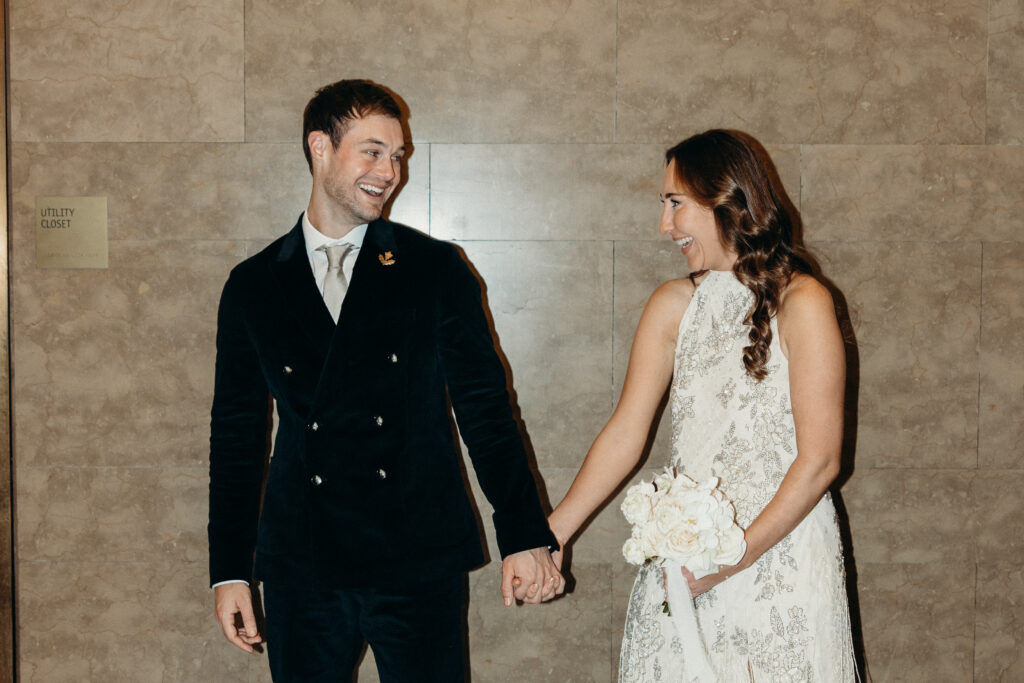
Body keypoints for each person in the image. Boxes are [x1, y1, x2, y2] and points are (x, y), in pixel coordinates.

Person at [208, 79, 564, 683]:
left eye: (398, 156)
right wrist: (230, 570)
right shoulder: (254, 284)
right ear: (320, 147)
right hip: (304, 559)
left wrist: (524, 533)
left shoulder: (433, 269)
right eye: (372, 152)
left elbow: (486, 411)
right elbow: (237, 437)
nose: (390, 171)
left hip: (415, 553)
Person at [548, 129, 857, 680]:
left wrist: (730, 560)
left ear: (727, 200)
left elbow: (820, 462)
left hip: (779, 556)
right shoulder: (672, 304)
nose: (664, 226)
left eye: (674, 204)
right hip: (686, 557)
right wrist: (552, 536)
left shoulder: (804, 300)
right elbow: (626, 432)